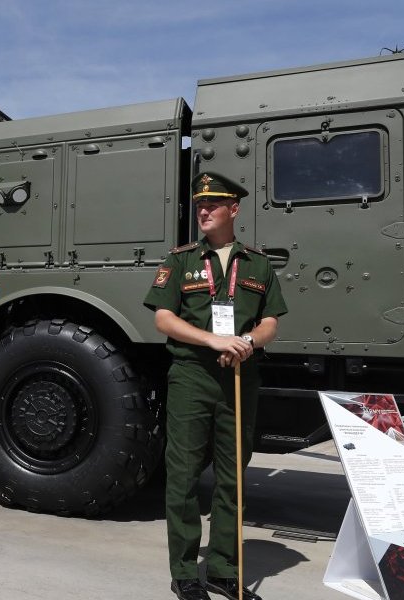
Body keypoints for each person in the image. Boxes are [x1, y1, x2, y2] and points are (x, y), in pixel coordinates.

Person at [144, 172, 288, 600]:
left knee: (233, 477)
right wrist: (212, 339)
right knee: (184, 475)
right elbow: (163, 319)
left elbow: (270, 322)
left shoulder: (258, 264)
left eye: (213, 205)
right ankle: (185, 572)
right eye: (199, 205)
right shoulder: (181, 261)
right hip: (192, 375)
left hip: (239, 377)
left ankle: (224, 569)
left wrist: (247, 343)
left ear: (234, 209)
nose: (203, 211)